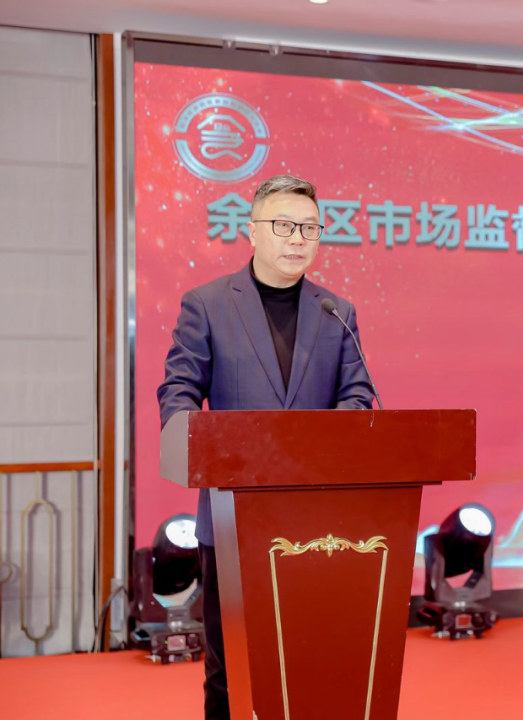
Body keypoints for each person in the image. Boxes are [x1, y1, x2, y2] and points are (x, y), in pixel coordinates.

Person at [157, 175, 375, 719]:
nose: (297, 238)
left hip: (318, 526)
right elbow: (178, 389)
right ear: (252, 231)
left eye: (309, 228)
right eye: (283, 225)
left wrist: (323, 443)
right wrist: (194, 440)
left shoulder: (336, 312)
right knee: (229, 666)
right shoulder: (207, 304)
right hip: (232, 517)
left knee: (309, 660)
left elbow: (357, 395)